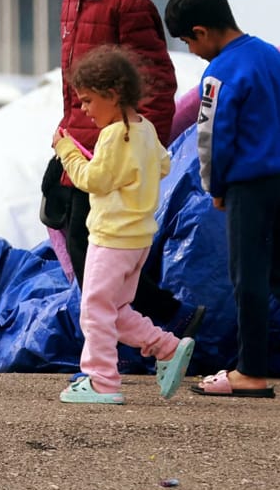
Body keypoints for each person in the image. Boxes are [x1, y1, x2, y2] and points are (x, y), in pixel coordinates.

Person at [163, 0, 280, 397]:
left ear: (202, 33)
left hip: (248, 182)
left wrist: (215, 186)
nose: (192, 51)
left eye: (189, 43)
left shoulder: (219, 73)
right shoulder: (273, 57)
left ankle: (251, 371)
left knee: (247, 276)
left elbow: (210, 137)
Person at [31, 0, 178, 313]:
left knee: (91, 250)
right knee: (72, 234)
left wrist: (144, 147)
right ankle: (144, 331)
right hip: (79, 141)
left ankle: (167, 322)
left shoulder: (127, 2)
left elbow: (158, 82)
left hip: (112, 148)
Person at [50, 47, 196, 405]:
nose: (84, 109)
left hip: (111, 239)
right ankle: (167, 347)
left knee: (94, 309)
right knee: (115, 311)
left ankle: (101, 380)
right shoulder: (144, 130)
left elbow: (93, 180)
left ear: (112, 95)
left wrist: (66, 149)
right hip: (137, 240)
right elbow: (162, 165)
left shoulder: (115, 136)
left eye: (88, 100)